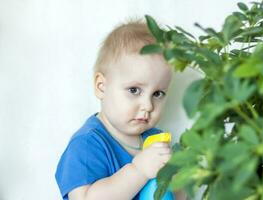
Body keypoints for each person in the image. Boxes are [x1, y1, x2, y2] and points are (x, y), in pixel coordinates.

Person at [55, 19, 186, 200]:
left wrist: (176, 180)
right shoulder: (87, 144)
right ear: (101, 86)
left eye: (157, 93)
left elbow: (177, 196)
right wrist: (138, 171)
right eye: (134, 90)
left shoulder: (154, 139)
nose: (148, 105)